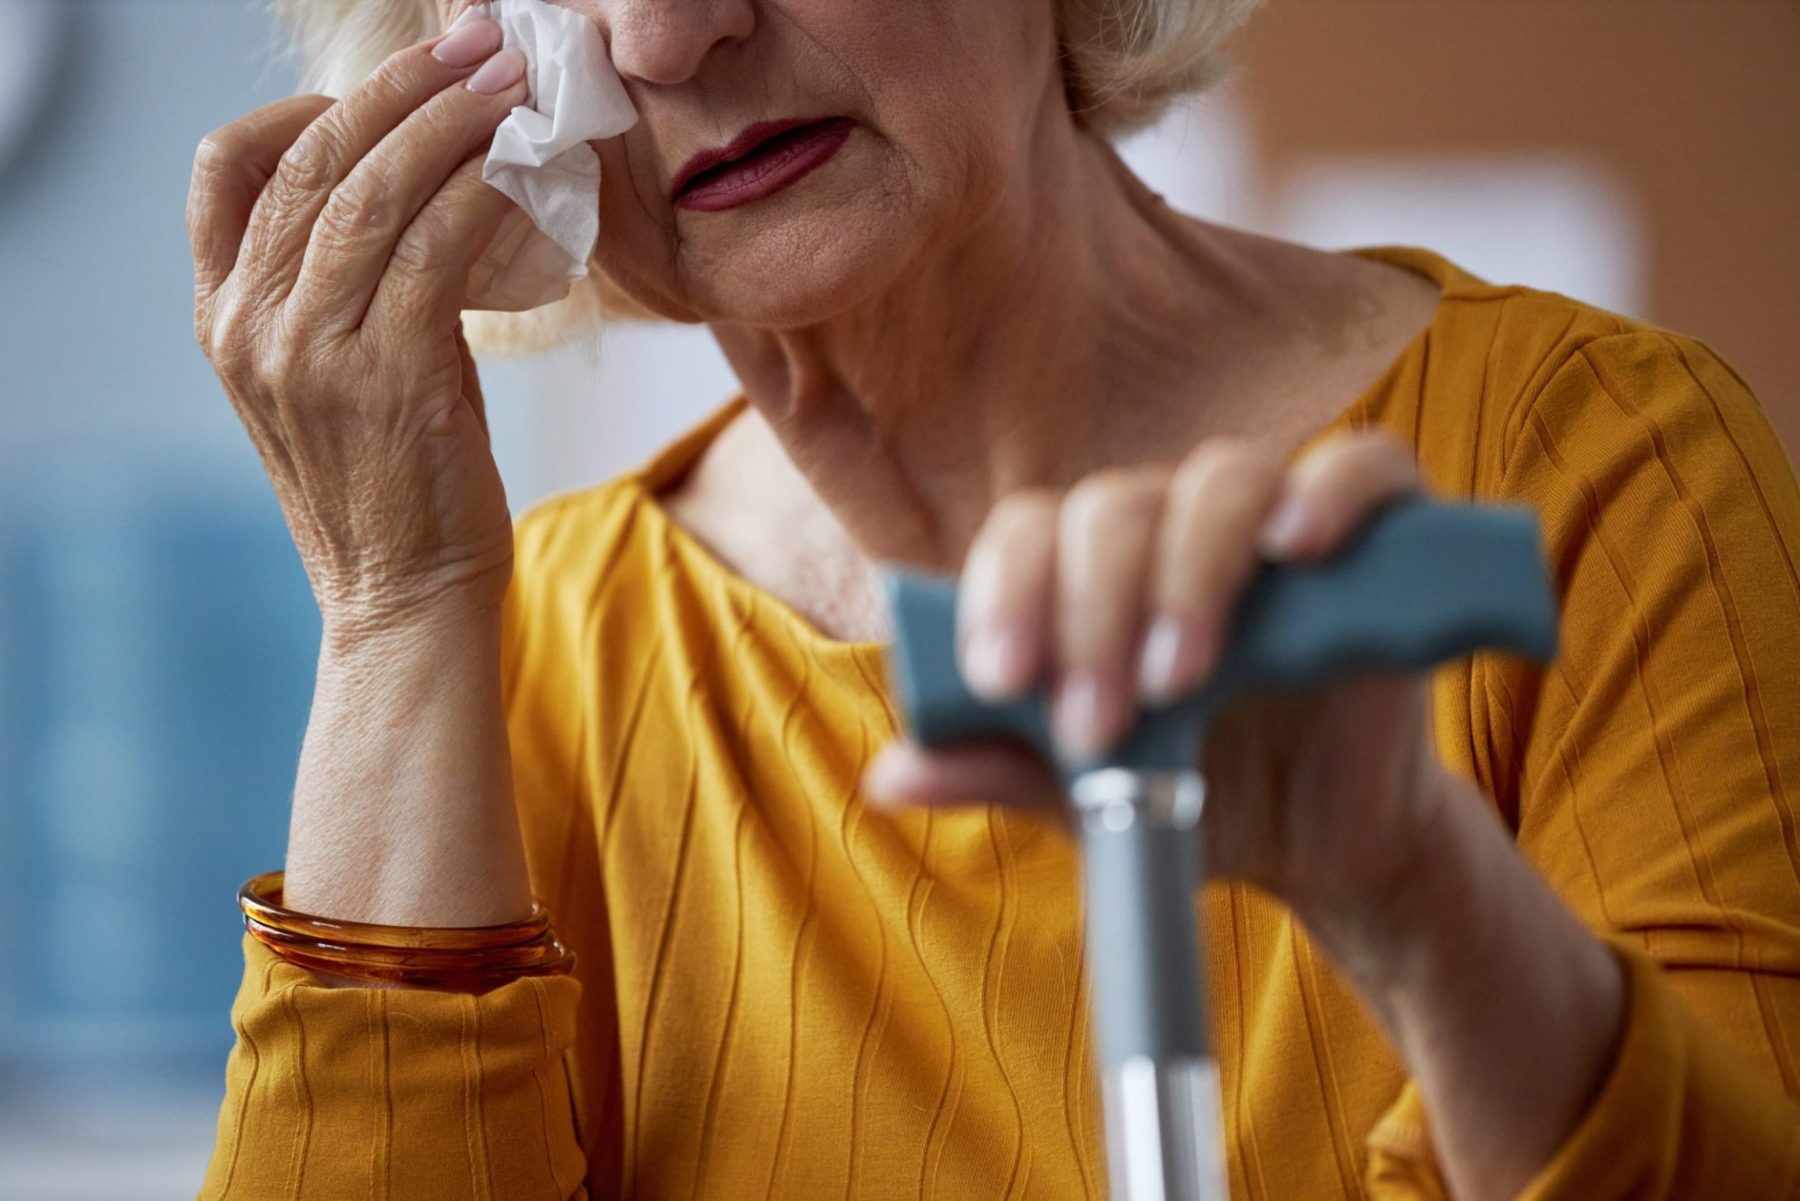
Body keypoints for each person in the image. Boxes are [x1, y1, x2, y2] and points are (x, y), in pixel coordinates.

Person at [186, 0, 1800, 1197]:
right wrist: (393, 606)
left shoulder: (1588, 470)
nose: (674, 34)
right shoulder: (528, 651)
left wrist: (1422, 902)